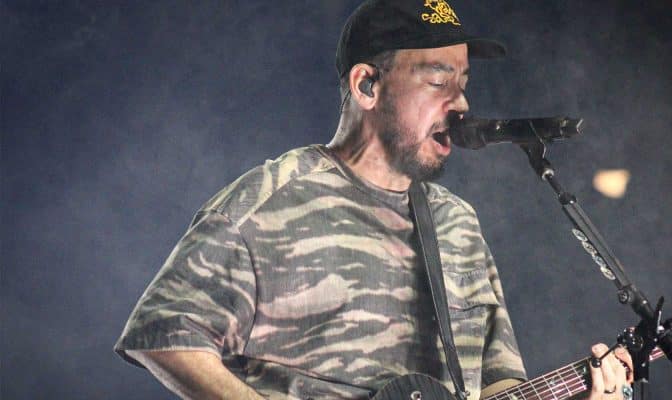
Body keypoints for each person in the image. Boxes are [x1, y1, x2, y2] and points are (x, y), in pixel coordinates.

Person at [115, 1, 633, 399]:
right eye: (438, 80)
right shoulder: (271, 199)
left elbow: (496, 382)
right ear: (367, 85)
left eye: (463, 82)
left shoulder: (456, 224)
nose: (461, 103)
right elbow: (162, 331)